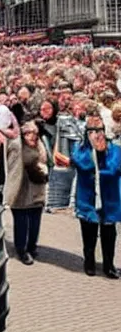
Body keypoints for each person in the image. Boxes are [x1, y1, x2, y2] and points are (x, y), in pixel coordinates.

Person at [71, 114, 121, 279]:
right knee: (89, 233)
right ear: (87, 133)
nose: (97, 134)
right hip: (88, 199)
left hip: (109, 199)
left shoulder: (114, 150)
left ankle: (108, 265)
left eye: (100, 130)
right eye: (93, 131)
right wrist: (96, 156)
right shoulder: (81, 150)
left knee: (109, 234)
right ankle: (89, 262)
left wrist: (101, 155)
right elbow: (83, 166)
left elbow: (113, 169)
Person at [10, 121, 49, 265]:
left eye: (34, 133)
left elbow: (46, 160)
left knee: (35, 222)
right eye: (28, 133)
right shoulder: (17, 148)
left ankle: (32, 246)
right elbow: (27, 160)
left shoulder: (40, 146)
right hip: (21, 190)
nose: (32, 136)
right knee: (21, 222)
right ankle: (21, 249)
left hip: (37, 190)